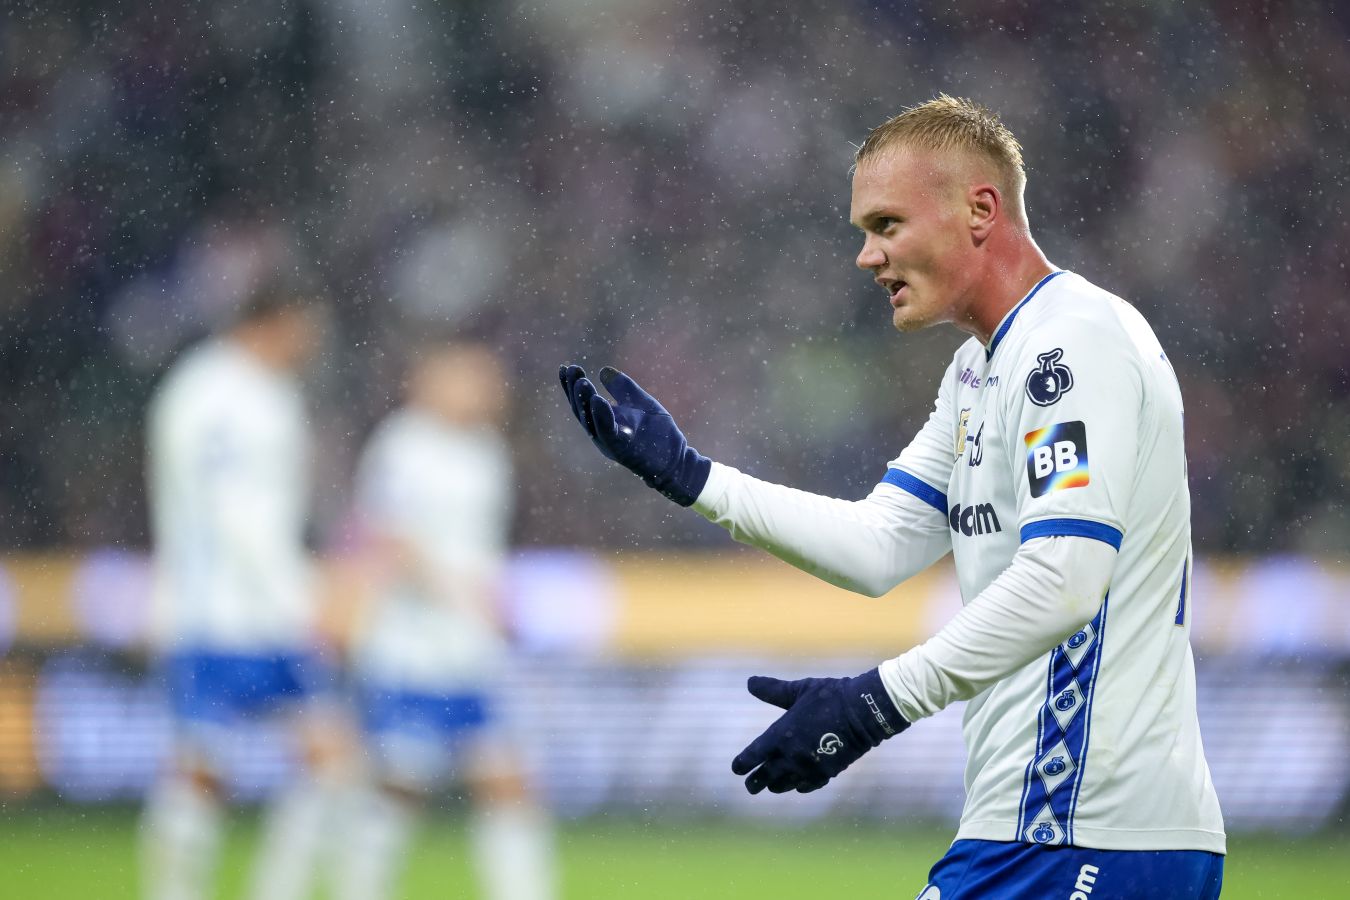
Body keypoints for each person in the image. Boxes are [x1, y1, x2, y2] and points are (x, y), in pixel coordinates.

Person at [559, 95, 1225, 898]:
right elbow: (882, 544)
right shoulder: (979, 370)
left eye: (886, 225)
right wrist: (694, 479)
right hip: (1056, 831)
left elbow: (1065, 580)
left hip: (1081, 829)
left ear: (980, 210)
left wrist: (874, 705)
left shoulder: (1069, 345)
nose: (867, 257)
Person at [141, 273, 351, 900]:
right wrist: (304, 597)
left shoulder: (233, 388)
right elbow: (234, 515)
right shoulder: (224, 394)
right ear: (275, 321)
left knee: (324, 757)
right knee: (207, 767)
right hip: (222, 611)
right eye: (307, 327)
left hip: (242, 609)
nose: (314, 342)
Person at [340, 339, 555, 900]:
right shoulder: (401, 445)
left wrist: (492, 604)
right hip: (410, 646)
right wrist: (462, 595)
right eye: (472, 379)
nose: (487, 391)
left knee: (507, 783)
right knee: (400, 786)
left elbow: (480, 549)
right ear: (431, 381)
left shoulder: (487, 452)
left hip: (468, 649)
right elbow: (390, 540)